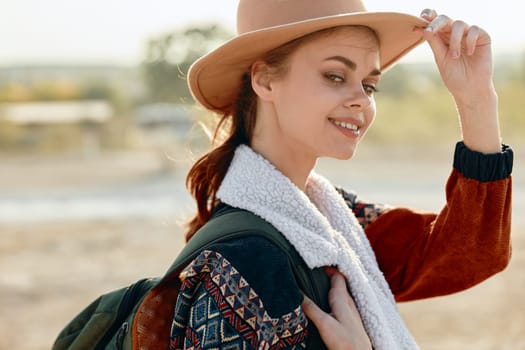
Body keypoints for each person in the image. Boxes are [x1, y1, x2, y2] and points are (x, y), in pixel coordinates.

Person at [169, 1, 513, 349]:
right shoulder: (243, 262)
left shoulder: (333, 221)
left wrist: (476, 99)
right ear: (265, 80)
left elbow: (469, 253)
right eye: (335, 76)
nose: (361, 100)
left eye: (369, 85)